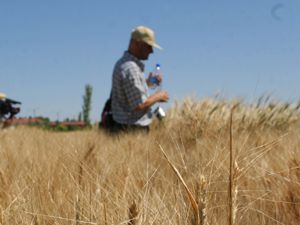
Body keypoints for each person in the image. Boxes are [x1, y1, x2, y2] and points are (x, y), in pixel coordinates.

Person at [110, 25, 169, 133]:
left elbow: (130, 93)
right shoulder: (131, 68)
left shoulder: (124, 64)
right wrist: (158, 96)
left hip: (125, 129)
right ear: (137, 44)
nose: (151, 51)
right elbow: (138, 105)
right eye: (149, 46)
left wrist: (148, 83)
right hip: (132, 130)